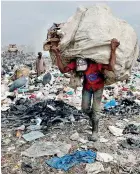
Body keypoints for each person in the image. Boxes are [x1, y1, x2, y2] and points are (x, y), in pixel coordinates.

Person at [50, 38, 120, 141]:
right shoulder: (78, 63)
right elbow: (63, 70)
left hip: (98, 88)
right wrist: (57, 54)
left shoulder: (96, 63)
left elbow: (111, 66)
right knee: (85, 108)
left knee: (96, 110)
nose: (81, 66)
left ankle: (95, 132)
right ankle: (92, 118)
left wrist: (113, 49)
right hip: (87, 87)